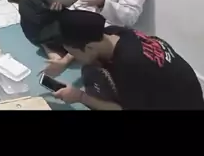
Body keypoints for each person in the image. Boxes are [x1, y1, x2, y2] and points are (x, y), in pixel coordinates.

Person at [51, 10, 204, 111]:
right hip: (183, 91)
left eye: (74, 54)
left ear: (89, 47)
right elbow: (85, 49)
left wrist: (80, 97)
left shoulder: (129, 64)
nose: (76, 59)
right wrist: (64, 62)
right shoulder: (113, 33)